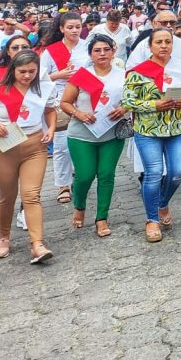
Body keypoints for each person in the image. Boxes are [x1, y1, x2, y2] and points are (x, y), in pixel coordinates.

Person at [122, 27, 181, 243]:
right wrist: (155, 104)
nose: (164, 45)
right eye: (159, 42)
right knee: (153, 174)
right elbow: (128, 101)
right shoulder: (137, 72)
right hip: (148, 130)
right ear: (150, 46)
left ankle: (162, 202)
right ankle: (152, 219)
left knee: (177, 172)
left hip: (176, 128)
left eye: (168, 41)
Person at [0, 50, 58, 263]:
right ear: (13, 70)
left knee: (31, 195)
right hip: (5, 148)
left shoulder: (44, 89)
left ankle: (37, 244)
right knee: (7, 196)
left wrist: (51, 128)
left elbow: (50, 110)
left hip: (34, 146)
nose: (27, 76)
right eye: (22, 71)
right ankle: (4, 237)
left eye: (32, 71)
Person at [60, 34, 129, 237]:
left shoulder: (123, 75)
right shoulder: (81, 75)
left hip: (112, 133)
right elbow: (65, 102)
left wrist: (124, 108)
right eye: (97, 50)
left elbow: (132, 99)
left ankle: (102, 217)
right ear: (90, 53)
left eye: (106, 49)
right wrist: (79, 114)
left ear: (113, 51)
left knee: (106, 175)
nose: (102, 54)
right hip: (82, 134)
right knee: (85, 175)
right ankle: (79, 205)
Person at [39, 11, 89, 206]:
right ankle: (62, 185)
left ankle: (80, 177)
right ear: (61, 29)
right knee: (61, 145)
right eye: (70, 27)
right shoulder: (50, 51)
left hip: (83, 98)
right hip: (59, 100)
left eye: (77, 26)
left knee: (82, 141)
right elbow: (40, 78)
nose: (74, 30)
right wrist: (60, 75)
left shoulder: (87, 47)